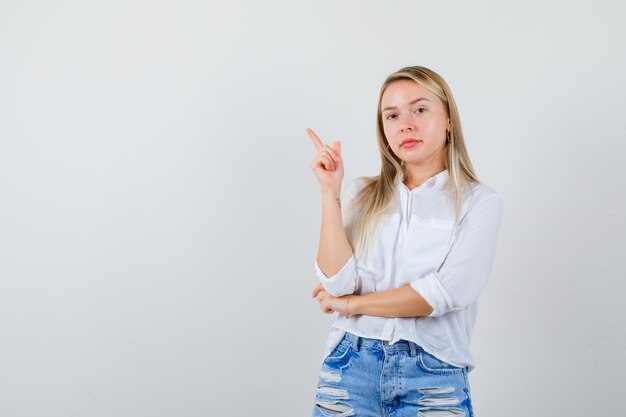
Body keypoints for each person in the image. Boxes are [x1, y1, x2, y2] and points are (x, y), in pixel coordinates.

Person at [306, 66, 503, 417]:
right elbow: (337, 281)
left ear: (448, 121)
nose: (405, 124)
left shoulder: (478, 202)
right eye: (392, 115)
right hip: (350, 366)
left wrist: (352, 306)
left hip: (433, 376)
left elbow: (445, 293)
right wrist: (329, 192)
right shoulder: (361, 194)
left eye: (420, 109)